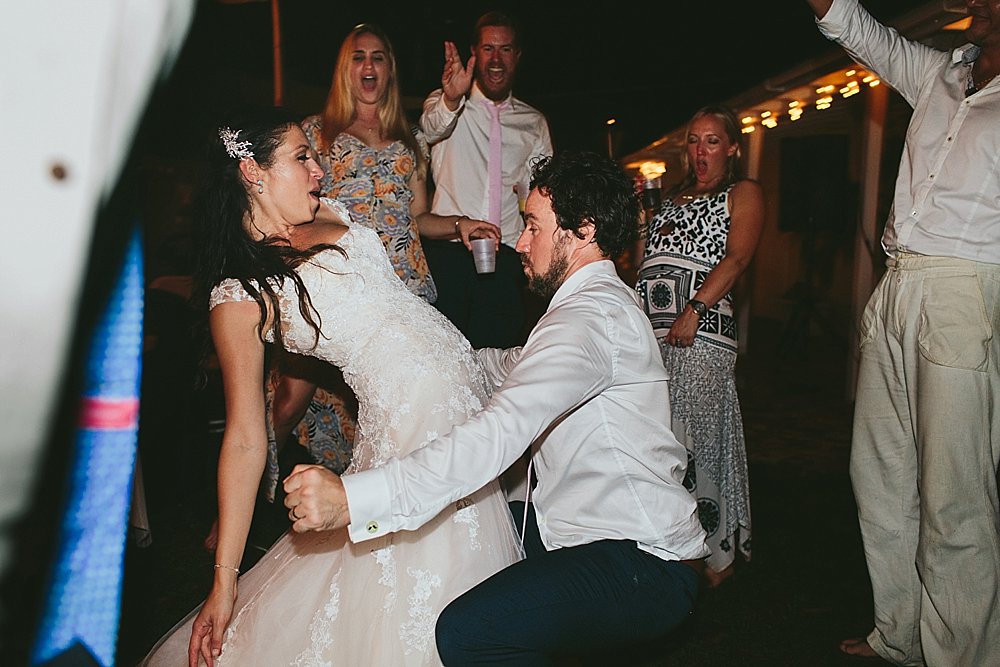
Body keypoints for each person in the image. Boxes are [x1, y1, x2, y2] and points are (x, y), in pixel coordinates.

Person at [283, 150, 710, 666]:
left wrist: (359, 499)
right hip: (589, 535)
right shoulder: (592, 307)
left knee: (468, 631)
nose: (520, 243)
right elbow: (508, 367)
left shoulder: (587, 320)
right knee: (462, 543)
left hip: (642, 561)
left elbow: (500, 432)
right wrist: (427, 356)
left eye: (532, 226)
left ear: (583, 231)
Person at [140, 107, 522, 666]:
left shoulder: (331, 212)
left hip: (460, 404)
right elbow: (246, 438)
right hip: (410, 423)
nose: (319, 170)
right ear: (253, 172)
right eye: (302, 158)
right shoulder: (240, 294)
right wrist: (223, 581)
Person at [808, 0, 1000, 664]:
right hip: (895, 285)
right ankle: (901, 633)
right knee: (882, 477)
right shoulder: (941, 73)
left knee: (956, 499)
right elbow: (865, 35)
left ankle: (965, 655)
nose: (972, 5)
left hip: (962, 288)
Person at [634, 105, 764, 588]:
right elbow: (646, 258)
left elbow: (738, 258)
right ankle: (675, 544)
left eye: (712, 141)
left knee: (700, 441)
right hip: (656, 332)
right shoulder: (670, 195)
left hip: (701, 331)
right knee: (664, 439)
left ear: (731, 147)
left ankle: (715, 558)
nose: (700, 150)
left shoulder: (742, 192)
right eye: (693, 140)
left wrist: (695, 309)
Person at [418, 10, 553, 350]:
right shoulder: (446, 103)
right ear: (474, 54)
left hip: (505, 259)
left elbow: (541, 193)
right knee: (445, 360)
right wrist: (451, 97)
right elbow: (431, 127)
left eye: (505, 49)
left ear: (517, 56)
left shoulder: (533, 122)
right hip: (449, 255)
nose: (496, 59)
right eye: (487, 49)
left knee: (498, 361)